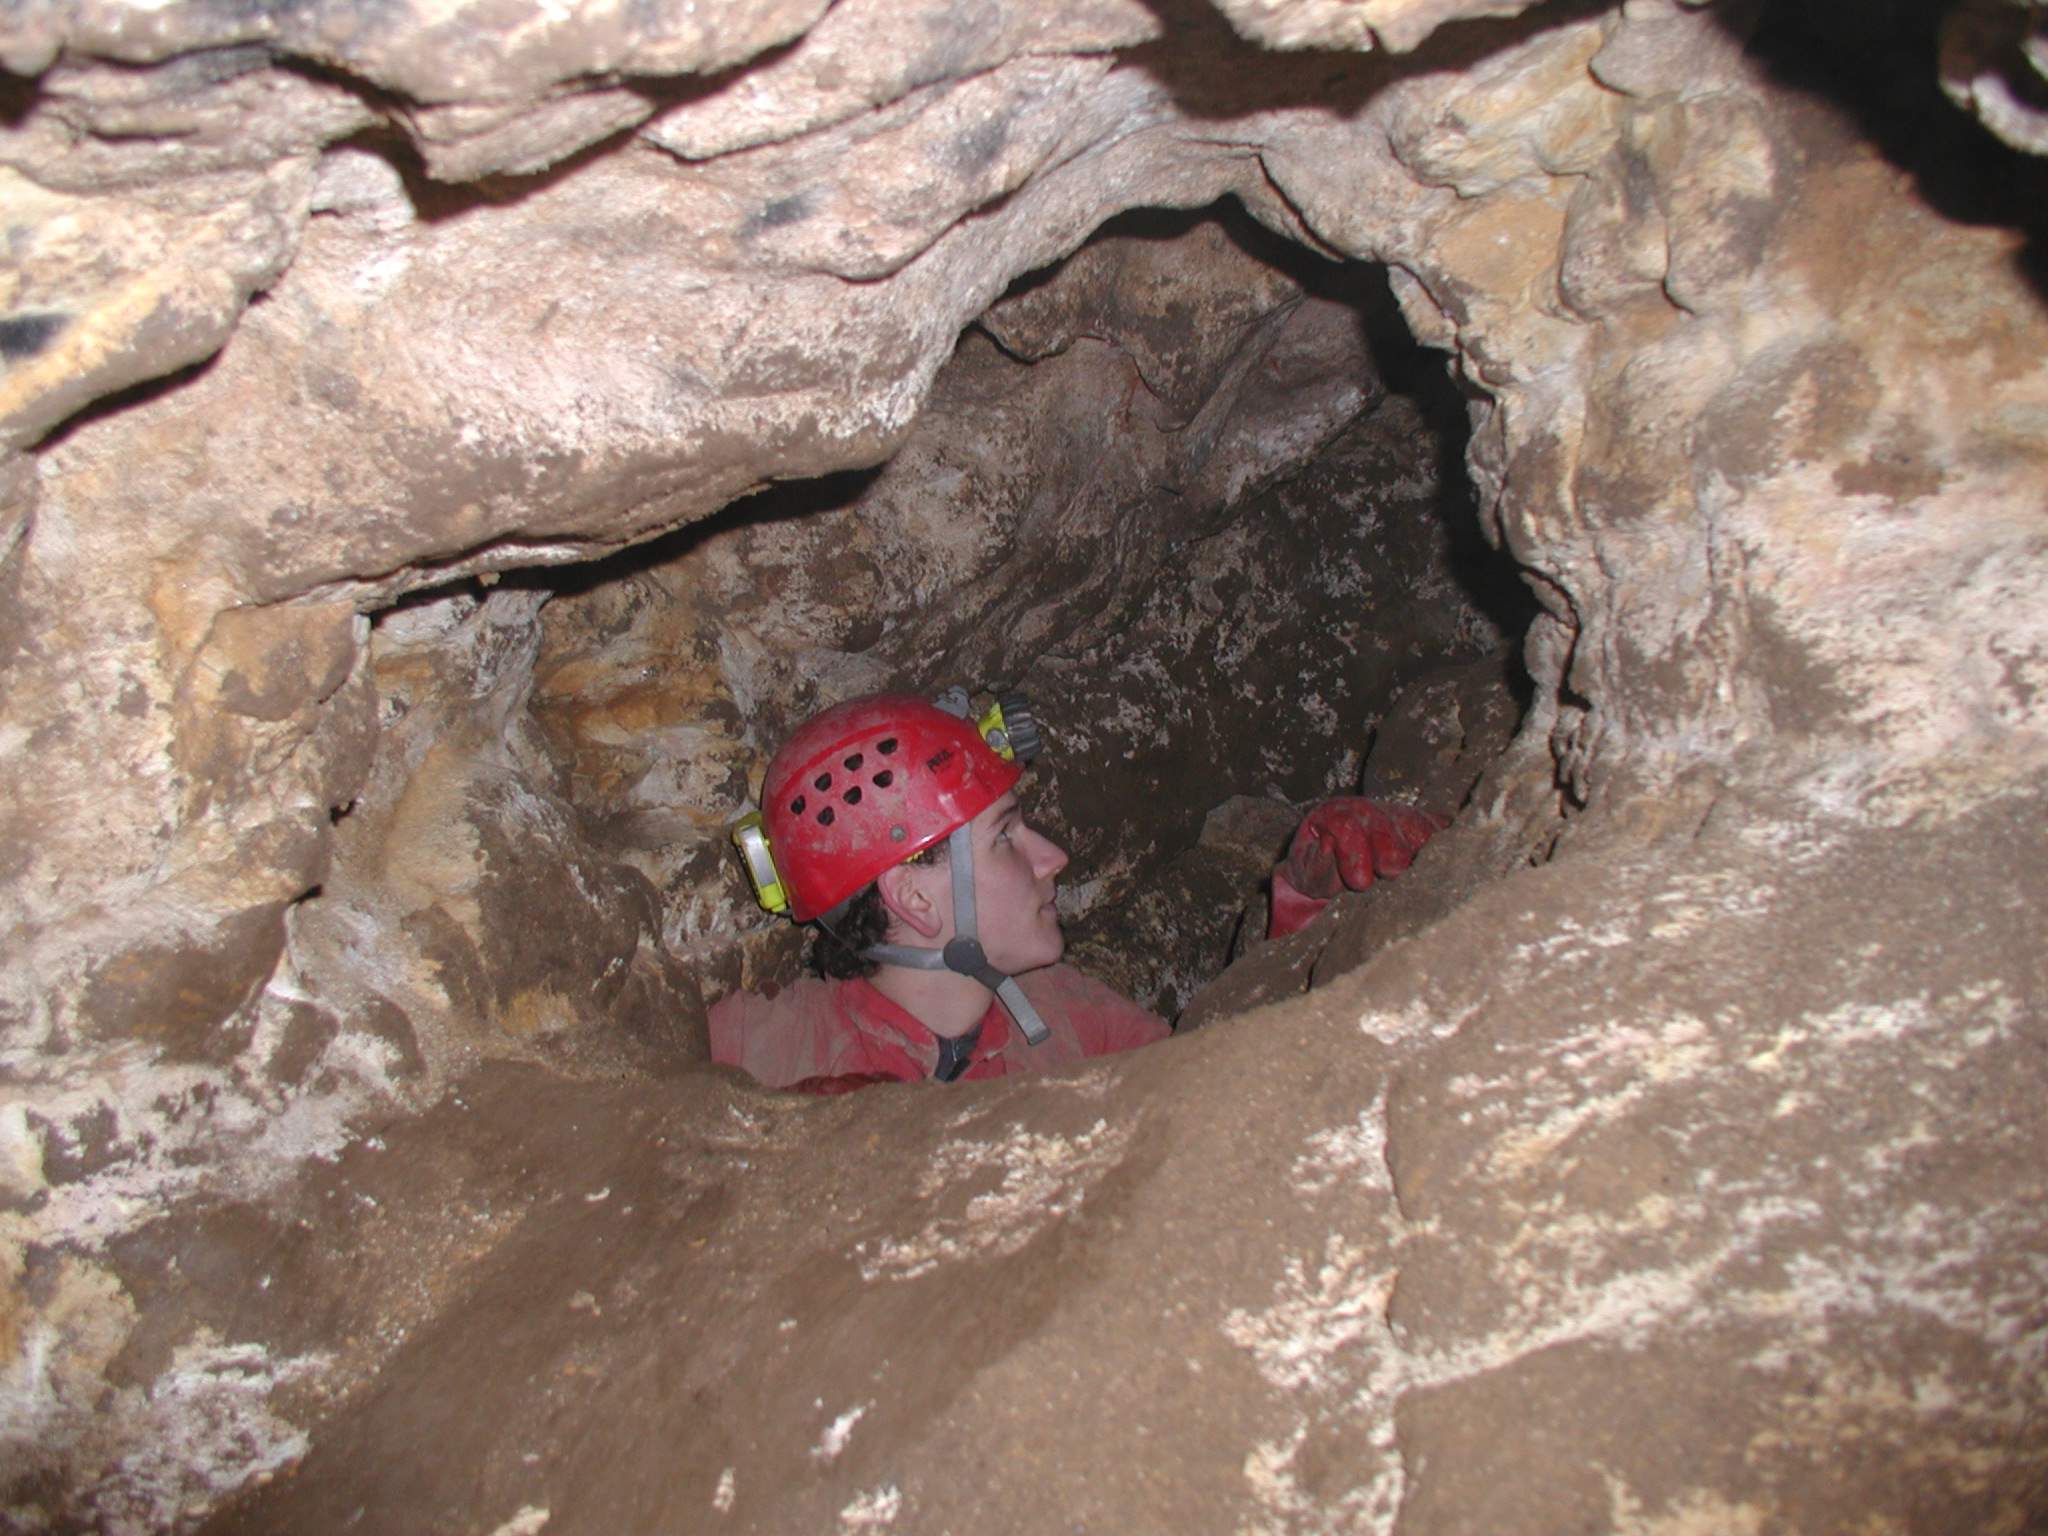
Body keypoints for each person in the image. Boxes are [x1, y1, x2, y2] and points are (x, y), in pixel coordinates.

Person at [709, 687, 1445, 1093]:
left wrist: (1309, 909)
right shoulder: (765, 1049)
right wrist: (784, 1137)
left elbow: (1228, 1098)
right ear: (916, 897)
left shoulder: (1067, 1020)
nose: (1053, 857)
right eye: (1005, 836)